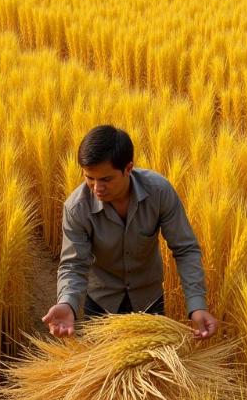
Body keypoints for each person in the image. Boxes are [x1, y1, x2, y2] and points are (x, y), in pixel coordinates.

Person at [42, 125, 218, 340]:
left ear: (128, 168)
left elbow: (185, 249)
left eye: (105, 179)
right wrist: (67, 302)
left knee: (153, 368)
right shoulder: (76, 208)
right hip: (101, 304)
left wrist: (196, 305)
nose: (97, 188)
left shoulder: (159, 193)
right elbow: (74, 264)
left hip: (148, 301)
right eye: (90, 178)